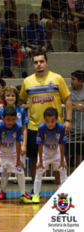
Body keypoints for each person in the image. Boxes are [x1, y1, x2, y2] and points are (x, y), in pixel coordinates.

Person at [19, 51, 72, 197]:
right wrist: (3, 106)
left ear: (47, 63)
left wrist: (68, 120)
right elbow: (19, 100)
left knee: (58, 159)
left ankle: (60, 189)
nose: (38, 64)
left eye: (41, 61)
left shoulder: (57, 78)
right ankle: (35, 191)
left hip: (56, 128)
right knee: (35, 159)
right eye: (35, 62)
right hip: (34, 127)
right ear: (33, 64)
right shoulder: (27, 81)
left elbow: (68, 99)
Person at [0, 106, 32, 204]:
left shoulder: (18, 127)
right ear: (3, 119)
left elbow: (18, 143)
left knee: (20, 172)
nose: (11, 122)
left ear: (16, 118)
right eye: (8, 119)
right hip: (1, 153)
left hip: (13, 153)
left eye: (13, 119)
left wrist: (18, 160)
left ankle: (22, 195)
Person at [0, 86, 28, 200]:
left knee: (20, 168)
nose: (10, 98)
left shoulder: (21, 110)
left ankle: (23, 193)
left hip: (17, 143)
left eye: (12, 95)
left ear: (16, 97)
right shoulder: (0, 110)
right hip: (5, 143)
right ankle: (3, 191)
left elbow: (24, 128)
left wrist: (24, 144)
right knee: (4, 169)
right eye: (8, 95)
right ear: (4, 97)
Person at [32, 107, 68, 203]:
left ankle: (63, 194)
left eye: (53, 121)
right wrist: (40, 161)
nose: (50, 124)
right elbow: (39, 145)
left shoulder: (61, 127)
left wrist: (62, 160)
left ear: (57, 119)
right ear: (44, 119)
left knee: (63, 170)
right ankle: (36, 194)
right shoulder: (41, 127)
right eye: (47, 121)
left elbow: (62, 144)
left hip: (57, 153)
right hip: (44, 153)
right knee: (39, 171)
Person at [66, 70, 84, 168]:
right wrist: (74, 104)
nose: (71, 81)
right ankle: (64, 175)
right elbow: (62, 100)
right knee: (66, 152)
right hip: (69, 128)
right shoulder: (68, 90)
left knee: (79, 153)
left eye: (74, 79)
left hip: (81, 128)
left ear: (80, 81)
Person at [4, 10, 28, 78]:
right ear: (6, 19)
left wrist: (18, 44)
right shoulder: (4, 26)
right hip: (8, 44)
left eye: (11, 18)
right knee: (9, 49)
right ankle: (8, 70)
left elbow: (19, 38)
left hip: (16, 43)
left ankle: (24, 72)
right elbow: (3, 39)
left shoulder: (17, 25)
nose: (10, 20)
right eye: (8, 18)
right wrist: (11, 43)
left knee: (23, 51)